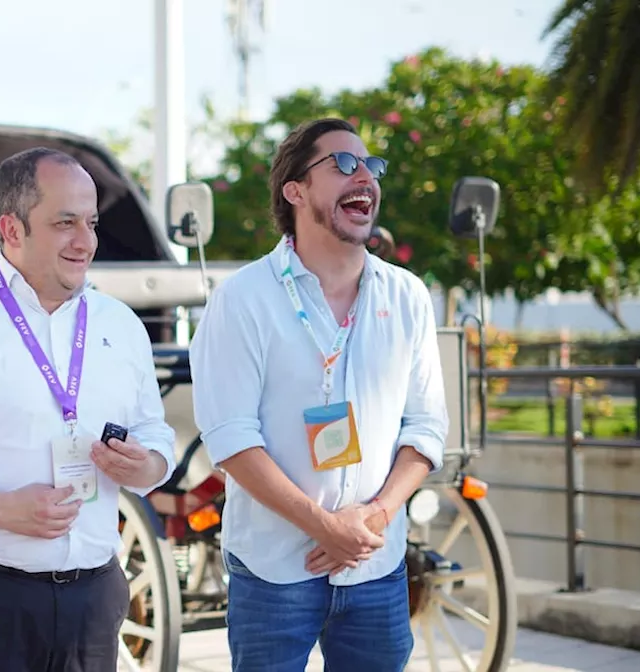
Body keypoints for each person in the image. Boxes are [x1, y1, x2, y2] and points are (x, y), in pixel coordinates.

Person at [0, 147, 177, 671]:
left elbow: (154, 430)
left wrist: (149, 464)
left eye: (90, 222)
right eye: (65, 222)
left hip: (95, 598)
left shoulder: (121, 324)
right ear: (12, 229)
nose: (86, 240)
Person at [190, 117, 449, 671]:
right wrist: (324, 526)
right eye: (343, 164)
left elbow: (426, 428)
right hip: (274, 572)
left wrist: (370, 520)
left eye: (372, 166)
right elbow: (231, 439)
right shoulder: (242, 300)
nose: (366, 177)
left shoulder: (406, 295)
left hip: (375, 567)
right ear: (296, 190)